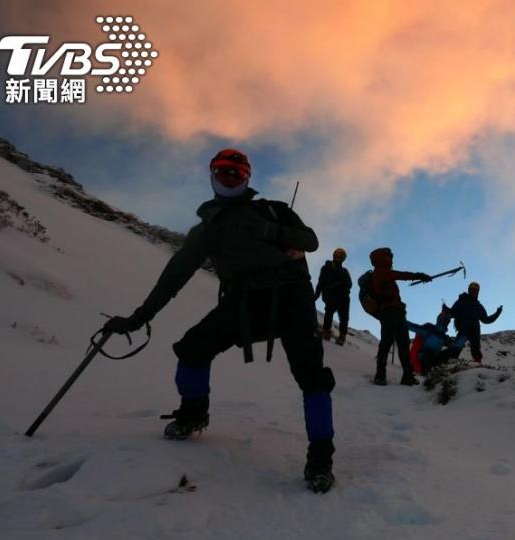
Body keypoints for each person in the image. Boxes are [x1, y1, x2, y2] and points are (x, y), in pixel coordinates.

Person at [103, 148, 336, 493]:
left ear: (247, 178)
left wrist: (269, 230)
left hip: (290, 299)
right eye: (223, 170)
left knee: (312, 377)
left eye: (236, 173)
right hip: (244, 302)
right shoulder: (207, 230)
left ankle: (320, 458)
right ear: (212, 174)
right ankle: (194, 412)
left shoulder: (273, 211)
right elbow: (175, 275)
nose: (229, 177)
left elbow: (310, 241)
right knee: (193, 348)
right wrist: (140, 317)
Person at [368, 247, 431, 385]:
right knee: (388, 341)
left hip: (397, 312)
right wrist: (417, 275)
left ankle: (407, 375)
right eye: (389, 257)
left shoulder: (385, 274)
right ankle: (380, 375)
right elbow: (400, 275)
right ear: (382, 258)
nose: (391, 259)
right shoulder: (380, 272)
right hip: (388, 312)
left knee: (403, 343)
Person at [449, 281, 502, 363]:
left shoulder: (478, 306)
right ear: (469, 290)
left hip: (475, 330)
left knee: (476, 349)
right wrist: (446, 310)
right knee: (457, 345)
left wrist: (497, 313)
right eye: (473, 289)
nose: (474, 292)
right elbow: (452, 313)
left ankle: (477, 363)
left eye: (476, 290)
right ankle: (451, 361)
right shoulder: (462, 301)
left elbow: (486, 319)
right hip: (464, 329)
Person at [314, 247, 352, 345]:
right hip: (331, 295)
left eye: (341, 256)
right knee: (330, 311)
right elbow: (321, 282)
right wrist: (316, 295)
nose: (339, 258)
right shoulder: (326, 267)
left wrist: (340, 284)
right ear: (334, 256)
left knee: (344, 316)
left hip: (343, 297)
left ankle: (341, 336)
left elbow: (349, 284)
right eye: (338, 255)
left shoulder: (345, 271)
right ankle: (326, 331)